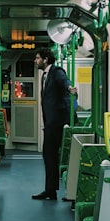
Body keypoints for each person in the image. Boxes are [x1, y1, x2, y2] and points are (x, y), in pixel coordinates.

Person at [32, 48, 76, 200]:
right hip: (52, 122)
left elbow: (64, 82)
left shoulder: (56, 71)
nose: (35, 61)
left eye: (37, 58)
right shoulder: (46, 75)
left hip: (58, 123)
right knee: (50, 155)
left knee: (52, 154)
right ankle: (51, 190)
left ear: (45, 59)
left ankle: (54, 190)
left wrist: (70, 88)